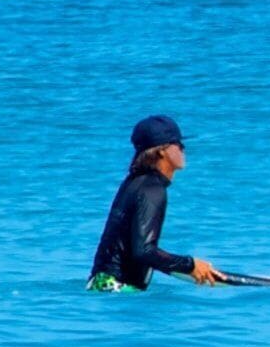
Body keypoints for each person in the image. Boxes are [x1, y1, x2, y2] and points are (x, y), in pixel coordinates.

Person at [91, 115, 234, 290]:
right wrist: (190, 265)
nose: (183, 149)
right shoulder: (152, 190)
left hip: (101, 284)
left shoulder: (134, 182)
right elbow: (144, 251)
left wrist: (183, 267)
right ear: (162, 151)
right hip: (117, 289)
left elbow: (137, 251)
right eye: (179, 144)